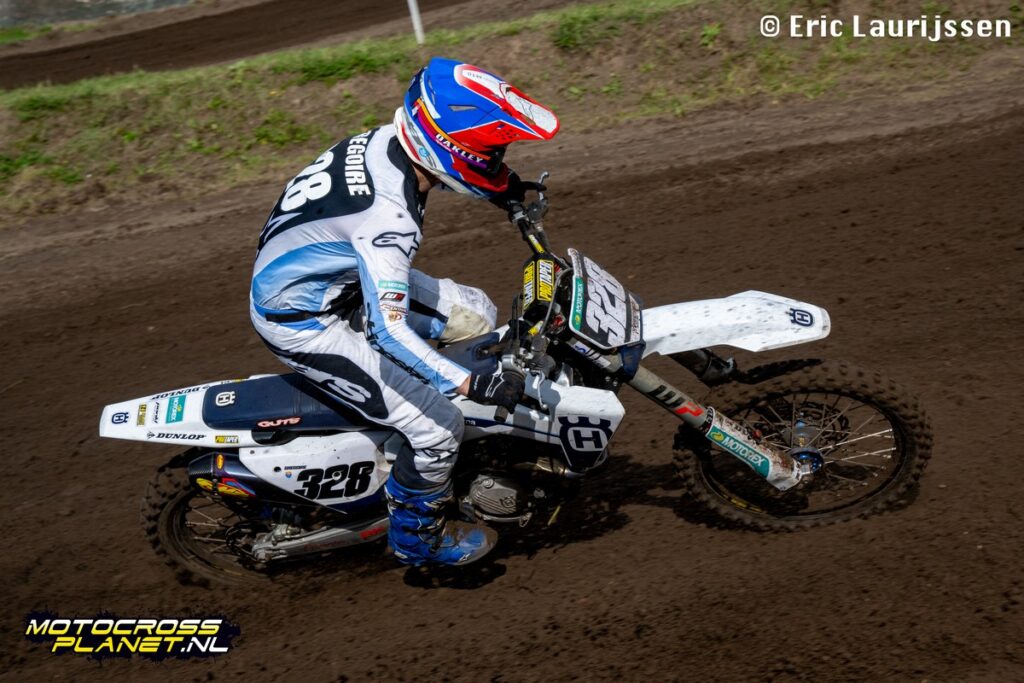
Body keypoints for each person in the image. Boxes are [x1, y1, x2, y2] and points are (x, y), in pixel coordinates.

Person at [249, 57, 560, 566]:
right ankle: (418, 540)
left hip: (335, 279)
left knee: (477, 314)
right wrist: (468, 385)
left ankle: (414, 417)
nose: (496, 160)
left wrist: (504, 188)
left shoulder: (382, 142)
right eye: (491, 155)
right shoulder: (389, 218)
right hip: (306, 322)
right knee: (439, 429)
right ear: (447, 148)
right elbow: (388, 331)